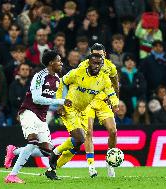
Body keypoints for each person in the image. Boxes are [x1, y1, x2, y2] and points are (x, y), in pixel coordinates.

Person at [45, 52, 118, 180]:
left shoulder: (104, 78)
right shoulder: (77, 72)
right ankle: (55, 154)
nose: (97, 66)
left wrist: (115, 104)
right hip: (70, 108)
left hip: (83, 111)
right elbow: (62, 82)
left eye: (99, 63)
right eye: (94, 63)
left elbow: (111, 92)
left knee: (77, 144)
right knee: (80, 137)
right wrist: (60, 103)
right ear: (88, 62)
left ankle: (53, 165)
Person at [4, 50, 70, 184]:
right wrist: (60, 102)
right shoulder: (39, 76)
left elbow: (52, 99)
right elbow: (37, 98)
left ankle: (14, 151)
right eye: (58, 60)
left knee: (47, 151)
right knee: (32, 142)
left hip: (42, 116)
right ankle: (12, 175)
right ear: (51, 63)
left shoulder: (57, 79)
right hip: (29, 110)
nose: (61, 62)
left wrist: (62, 105)